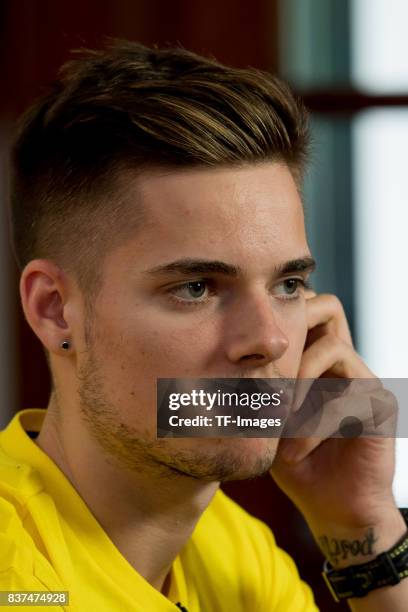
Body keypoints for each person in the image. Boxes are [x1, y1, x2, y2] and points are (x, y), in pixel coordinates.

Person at [0, 40, 406, 611]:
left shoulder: (232, 547)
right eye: (196, 288)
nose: (269, 341)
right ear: (54, 309)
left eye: (288, 285)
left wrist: (362, 524)